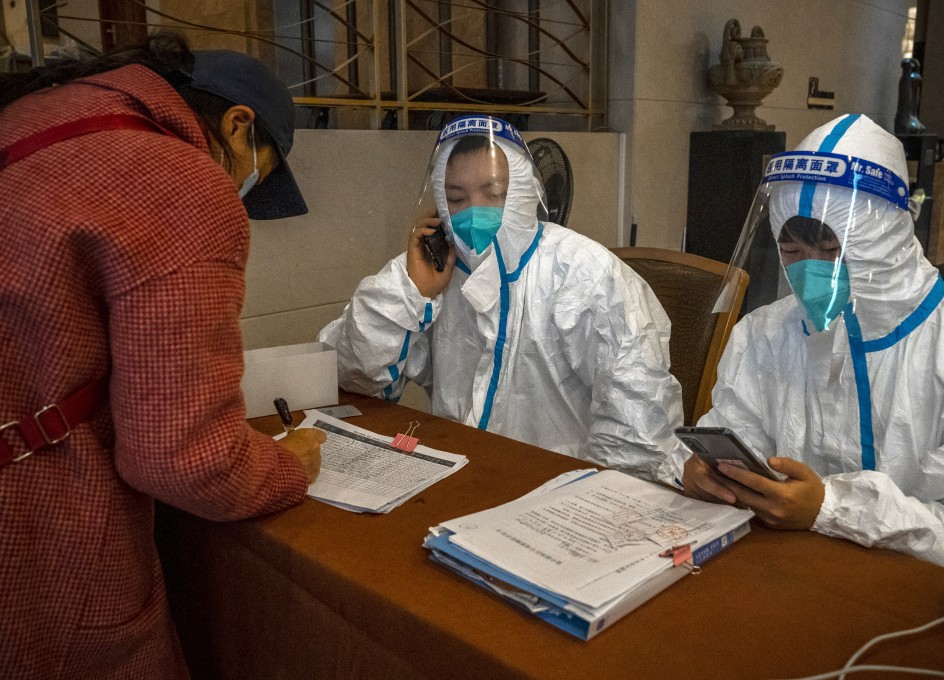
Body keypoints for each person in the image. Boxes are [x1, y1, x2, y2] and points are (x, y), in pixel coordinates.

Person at [0, 32, 325, 679]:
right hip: (40, 529)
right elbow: (184, 461)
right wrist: (288, 466)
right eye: (251, 172)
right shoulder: (179, 182)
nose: (238, 191)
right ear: (238, 124)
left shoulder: (31, 120)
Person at [677, 113, 944, 581]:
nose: (807, 271)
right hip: (780, 576)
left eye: (830, 250)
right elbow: (735, 438)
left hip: (916, 594)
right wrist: (706, 475)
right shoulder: (763, 334)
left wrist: (830, 509)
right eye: (792, 252)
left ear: (883, 240)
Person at [319, 115, 684, 483]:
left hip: (557, 486)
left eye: (494, 194)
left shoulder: (586, 274)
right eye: (457, 198)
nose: (473, 211)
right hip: (459, 476)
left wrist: (585, 494)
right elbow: (356, 377)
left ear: (524, 193)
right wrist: (409, 292)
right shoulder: (433, 269)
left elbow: (637, 426)